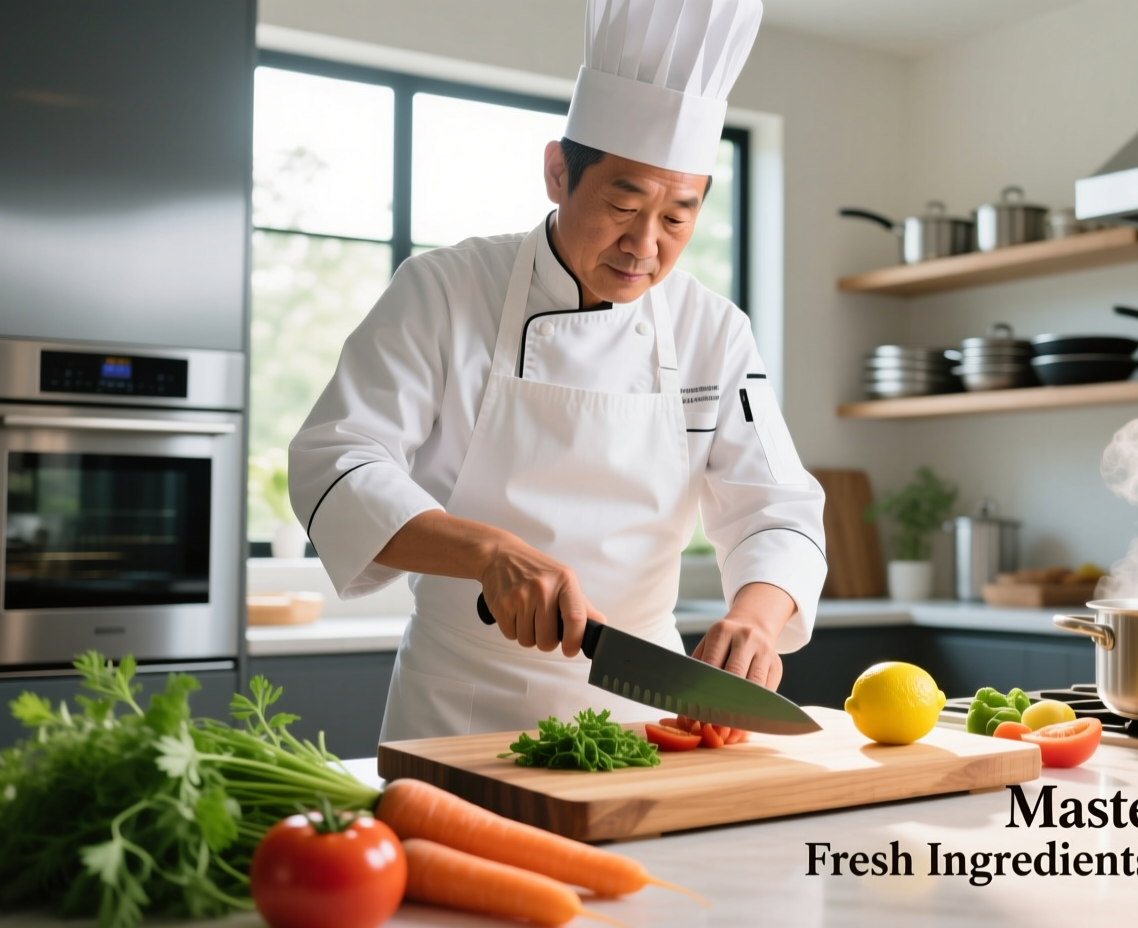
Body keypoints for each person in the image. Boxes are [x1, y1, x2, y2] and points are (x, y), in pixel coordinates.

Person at [288, 0, 827, 741]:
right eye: (623, 205)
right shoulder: (444, 289)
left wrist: (756, 621)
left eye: (678, 218)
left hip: (642, 709)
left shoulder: (714, 330)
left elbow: (778, 507)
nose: (645, 245)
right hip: (460, 707)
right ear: (556, 172)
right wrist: (488, 551)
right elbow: (337, 461)